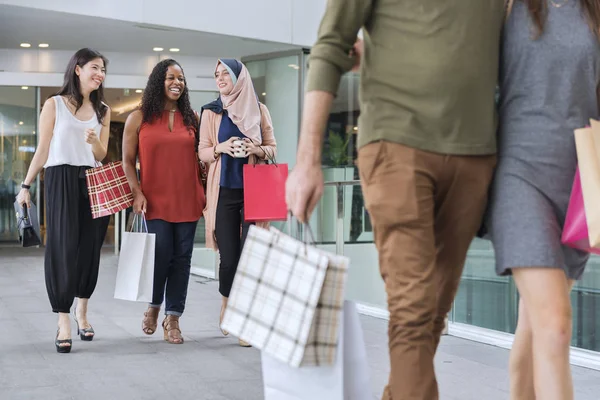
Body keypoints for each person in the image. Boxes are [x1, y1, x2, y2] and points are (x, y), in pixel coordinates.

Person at [285, 1, 504, 399]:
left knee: (433, 311)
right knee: (414, 307)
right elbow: (331, 43)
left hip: (474, 155)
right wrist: (306, 160)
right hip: (395, 143)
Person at [486, 2, 600, 399]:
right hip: (518, 176)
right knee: (555, 322)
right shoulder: (505, 4)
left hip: (580, 188)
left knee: (535, 326)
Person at [16, 48, 111, 353]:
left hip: (93, 181)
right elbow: (43, 150)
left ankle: (82, 311)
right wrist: (26, 185)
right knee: (62, 248)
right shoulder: (54, 104)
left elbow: (101, 154)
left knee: (89, 249)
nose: (100, 74)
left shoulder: (103, 110)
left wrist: (95, 140)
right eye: (95, 68)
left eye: (104, 70)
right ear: (78, 69)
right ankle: (63, 319)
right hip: (60, 179)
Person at [122, 59, 206, 345]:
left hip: (188, 198)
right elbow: (127, 161)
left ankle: (173, 318)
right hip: (154, 200)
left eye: (181, 78)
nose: (177, 83)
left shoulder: (192, 118)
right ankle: (155, 304)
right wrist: (137, 192)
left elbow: (202, 155)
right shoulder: (139, 117)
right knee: (160, 256)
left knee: (182, 259)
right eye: (171, 77)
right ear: (159, 80)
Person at [198, 59, 276, 347]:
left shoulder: (259, 109)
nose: (220, 79)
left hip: (254, 190)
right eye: (216, 74)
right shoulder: (211, 112)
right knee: (229, 258)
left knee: (249, 257)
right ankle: (227, 303)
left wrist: (254, 148)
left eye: (225, 74)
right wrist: (222, 147)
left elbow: (272, 147)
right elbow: (202, 152)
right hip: (225, 193)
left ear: (239, 78)